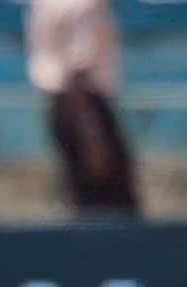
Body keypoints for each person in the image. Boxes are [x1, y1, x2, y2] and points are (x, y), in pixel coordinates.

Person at [25, 0, 140, 218]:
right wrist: (93, 139)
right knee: (110, 204)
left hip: (62, 105)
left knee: (80, 195)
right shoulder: (85, 5)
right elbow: (78, 73)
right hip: (85, 108)